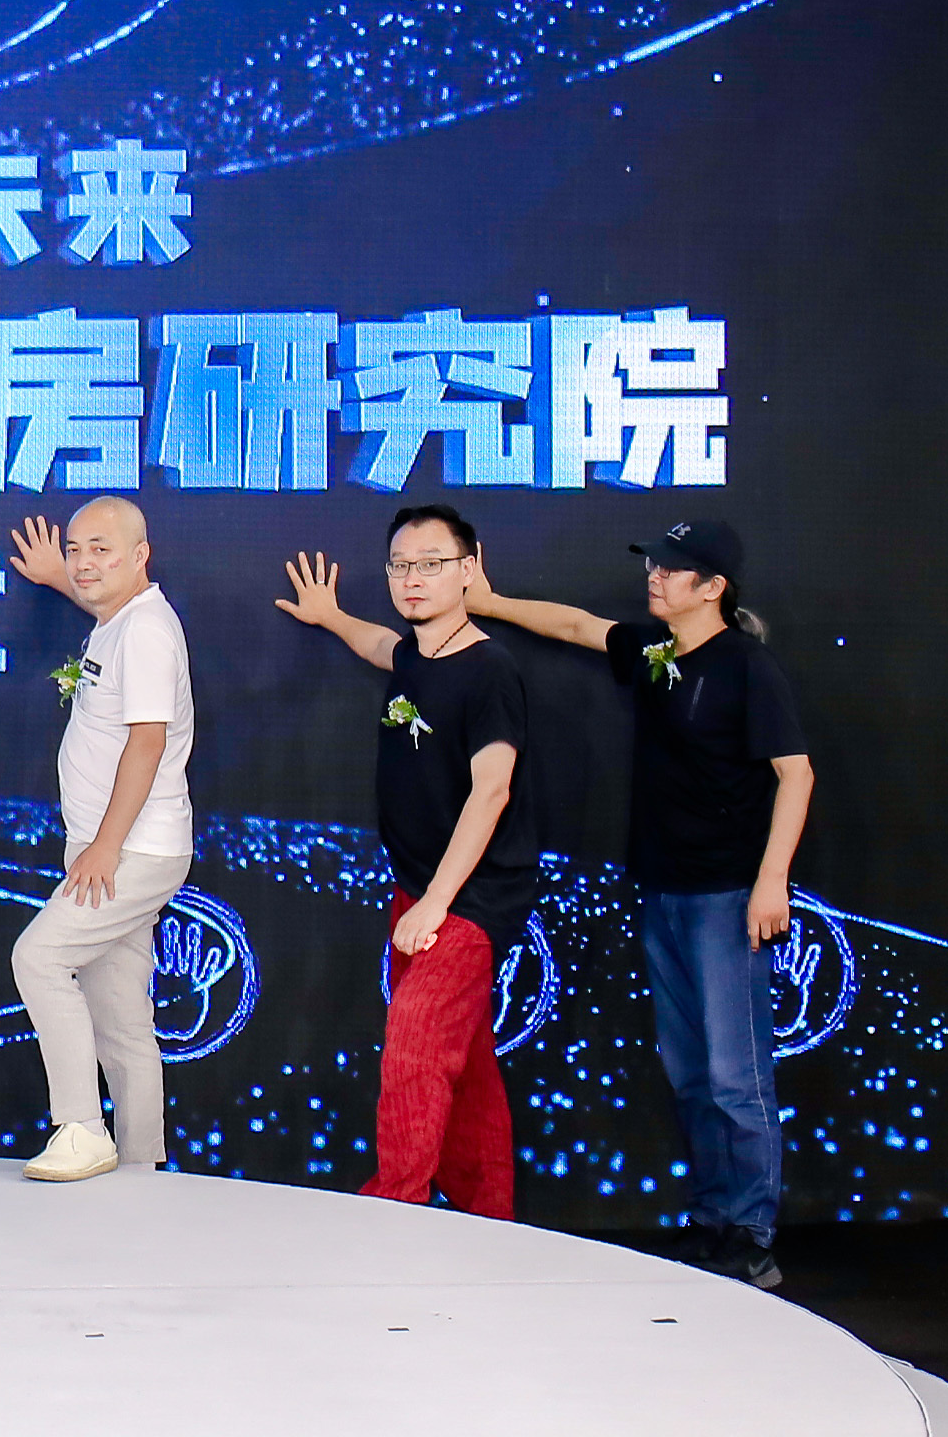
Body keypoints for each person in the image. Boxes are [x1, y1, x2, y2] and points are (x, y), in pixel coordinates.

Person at [464, 513, 815, 1288]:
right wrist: (487, 603)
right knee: (688, 1070)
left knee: (735, 1076)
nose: (653, 575)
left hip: (728, 896)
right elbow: (577, 626)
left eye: (670, 567)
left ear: (712, 587)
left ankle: (751, 1232)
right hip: (663, 890)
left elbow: (795, 773)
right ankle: (712, 1219)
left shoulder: (746, 666)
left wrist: (771, 880)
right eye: (652, 563)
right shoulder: (656, 652)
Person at [278, 503, 539, 1220]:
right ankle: (489, 1216)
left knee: (416, 1046)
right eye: (400, 566)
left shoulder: (490, 669)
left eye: (431, 564)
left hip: (470, 897)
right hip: (419, 889)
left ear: (469, 568)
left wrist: (437, 905)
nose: (413, 578)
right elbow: (381, 646)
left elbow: (492, 790)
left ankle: (394, 1210)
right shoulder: (416, 656)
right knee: (468, 1065)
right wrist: (331, 616)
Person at [0, 499, 196, 1183]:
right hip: (116, 848)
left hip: (129, 852)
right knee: (121, 1020)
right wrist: (61, 577)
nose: (84, 563)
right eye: (75, 549)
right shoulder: (122, 621)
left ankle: (81, 1127)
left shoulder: (144, 632)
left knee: (38, 958)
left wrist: (106, 847)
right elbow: (102, 602)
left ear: (140, 555)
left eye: (100, 550)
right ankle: (140, 1166)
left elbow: (148, 742)